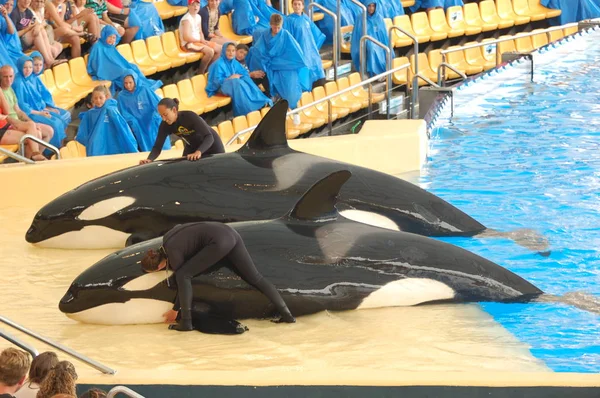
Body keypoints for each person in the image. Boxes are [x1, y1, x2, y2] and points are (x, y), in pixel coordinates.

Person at [140, 221, 296, 331]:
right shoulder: (167, 238)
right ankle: (288, 315)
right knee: (256, 277)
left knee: (182, 275)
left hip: (219, 242)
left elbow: (185, 278)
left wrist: (175, 309)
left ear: (160, 266)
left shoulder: (173, 254)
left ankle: (186, 322)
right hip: (229, 232)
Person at [247, 13, 310, 108]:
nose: (276, 30)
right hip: (271, 65)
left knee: (290, 90)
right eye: (274, 27)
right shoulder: (265, 35)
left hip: (285, 66)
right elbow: (259, 50)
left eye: (278, 28)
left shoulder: (286, 35)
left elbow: (295, 52)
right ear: (270, 25)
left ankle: (293, 109)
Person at [140, 97, 224, 164]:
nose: (164, 119)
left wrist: (198, 152)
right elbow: (157, 147)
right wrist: (149, 159)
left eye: (165, 115)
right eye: (161, 116)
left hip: (211, 145)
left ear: (174, 110)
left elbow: (209, 137)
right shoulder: (165, 124)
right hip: (192, 146)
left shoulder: (189, 116)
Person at [13, 55, 67, 149]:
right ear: (20, 67)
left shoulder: (28, 79)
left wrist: (46, 108)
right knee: (54, 124)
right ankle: (51, 150)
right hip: (29, 114)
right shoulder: (18, 82)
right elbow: (22, 106)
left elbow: (38, 98)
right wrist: (40, 113)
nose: (28, 70)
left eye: (30, 67)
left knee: (60, 120)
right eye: (25, 67)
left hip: (37, 110)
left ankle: (59, 147)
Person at [87, 25, 161, 92]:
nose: (112, 40)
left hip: (116, 68)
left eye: (113, 38)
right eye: (109, 37)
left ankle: (141, 87)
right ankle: (138, 89)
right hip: (106, 71)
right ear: (104, 35)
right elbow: (94, 63)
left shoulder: (111, 47)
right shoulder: (97, 46)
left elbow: (117, 60)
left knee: (133, 67)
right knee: (126, 72)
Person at [206, 42, 272, 117]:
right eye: (228, 50)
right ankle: (247, 110)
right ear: (224, 51)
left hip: (234, 84)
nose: (231, 53)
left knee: (245, 79)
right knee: (236, 81)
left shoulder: (234, 62)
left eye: (233, 51)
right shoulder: (218, 63)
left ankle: (261, 102)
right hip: (221, 86)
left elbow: (244, 73)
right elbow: (216, 82)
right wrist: (230, 78)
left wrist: (239, 76)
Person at [1, 65, 55, 153]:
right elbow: (6, 115)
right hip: (10, 125)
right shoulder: (1, 92)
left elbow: (18, 111)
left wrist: (31, 123)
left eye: (10, 76)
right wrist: (24, 124)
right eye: (5, 77)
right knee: (35, 135)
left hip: (19, 123)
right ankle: (29, 160)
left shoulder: (10, 89)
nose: (8, 80)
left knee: (49, 131)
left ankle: (35, 159)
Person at [75, 84, 139, 156]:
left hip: (113, 147)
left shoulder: (112, 110)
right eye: (95, 98)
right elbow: (84, 132)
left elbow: (122, 128)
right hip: (95, 148)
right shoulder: (90, 114)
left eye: (100, 98)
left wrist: (131, 146)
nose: (98, 100)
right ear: (92, 99)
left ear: (106, 97)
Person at [117, 73, 171, 152]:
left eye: (130, 82)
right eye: (125, 83)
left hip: (151, 120)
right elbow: (123, 112)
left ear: (135, 81)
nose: (128, 85)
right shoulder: (121, 96)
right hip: (139, 125)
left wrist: (155, 115)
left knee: (160, 141)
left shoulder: (144, 89)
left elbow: (157, 103)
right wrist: (132, 121)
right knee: (146, 144)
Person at [283, 0, 325, 88]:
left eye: (299, 4)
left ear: (303, 6)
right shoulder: (289, 20)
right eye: (295, 4)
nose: (297, 6)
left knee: (318, 73)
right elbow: (288, 39)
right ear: (292, 6)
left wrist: (314, 48)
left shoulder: (305, 17)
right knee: (304, 76)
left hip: (311, 52)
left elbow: (316, 33)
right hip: (300, 52)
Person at [9, 0, 61, 67]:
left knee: (41, 30)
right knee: (36, 33)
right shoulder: (14, 13)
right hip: (17, 43)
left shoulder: (28, 11)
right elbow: (13, 35)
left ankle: (50, 59)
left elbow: (36, 22)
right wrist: (27, 29)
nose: (27, 1)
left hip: (28, 41)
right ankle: (49, 61)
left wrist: (38, 26)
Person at [179, 0, 220, 74]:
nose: (195, 7)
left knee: (220, 49)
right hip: (188, 44)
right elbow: (186, 37)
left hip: (198, 42)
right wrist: (199, 41)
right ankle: (200, 72)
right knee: (210, 52)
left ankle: (208, 70)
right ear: (188, 6)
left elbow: (200, 31)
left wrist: (203, 40)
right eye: (193, 5)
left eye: (197, 5)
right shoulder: (186, 19)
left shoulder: (198, 17)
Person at [350, 0, 389, 78]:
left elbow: (383, 35)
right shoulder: (360, 18)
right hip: (365, 42)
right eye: (369, 6)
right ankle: (374, 72)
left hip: (378, 41)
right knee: (371, 48)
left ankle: (381, 71)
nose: (371, 8)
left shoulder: (379, 18)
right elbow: (357, 35)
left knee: (382, 48)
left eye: (373, 6)